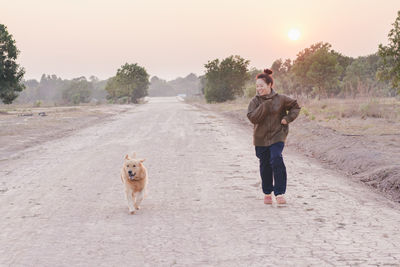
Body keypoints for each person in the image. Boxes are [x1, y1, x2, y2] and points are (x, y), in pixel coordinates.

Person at [247, 69, 301, 205]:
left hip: (278, 135)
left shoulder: (281, 99)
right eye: (257, 86)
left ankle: (280, 193)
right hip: (260, 138)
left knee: (276, 158)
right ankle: (267, 192)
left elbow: (295, 106)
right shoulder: (255, 101)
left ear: (270, 85)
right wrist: (264, 105)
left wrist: (287, 118)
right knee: (265, 165)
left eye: (261, 86)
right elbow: (253, 118)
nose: (259, 89)